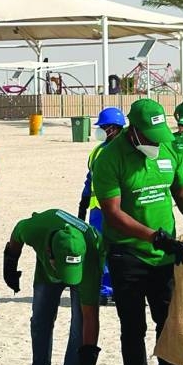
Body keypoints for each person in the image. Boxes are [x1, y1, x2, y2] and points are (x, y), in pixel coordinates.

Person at [91, 98, 183, 365]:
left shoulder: (168, 150)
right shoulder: (110, 158)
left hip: (165, 255)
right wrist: (153, 237)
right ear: (135, 131)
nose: (157, 141)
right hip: (126, 253)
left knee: (169, 323)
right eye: (151, 135)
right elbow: (112, 214)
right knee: (133, 326)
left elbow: (182, 195)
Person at [4, 208, 103, 365]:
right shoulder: (35, 228)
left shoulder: (93, 250)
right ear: (49, 253)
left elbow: (90, 317)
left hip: (85, 269)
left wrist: (87, 364)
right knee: (40, 320)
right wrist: (10, 263)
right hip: (46, 273)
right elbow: (17, 233)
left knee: (79, 325)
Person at [77, 106, 126, 305]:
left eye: (104, 127)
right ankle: (105, 289)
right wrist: (83, 203)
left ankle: (120, 287)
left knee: (121, 249)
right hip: (97, 210)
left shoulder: (125, 151)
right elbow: (90, 179)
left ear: (114, 128)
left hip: (120, 210)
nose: (101, 130)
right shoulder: (97, 151)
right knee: (99, 250)